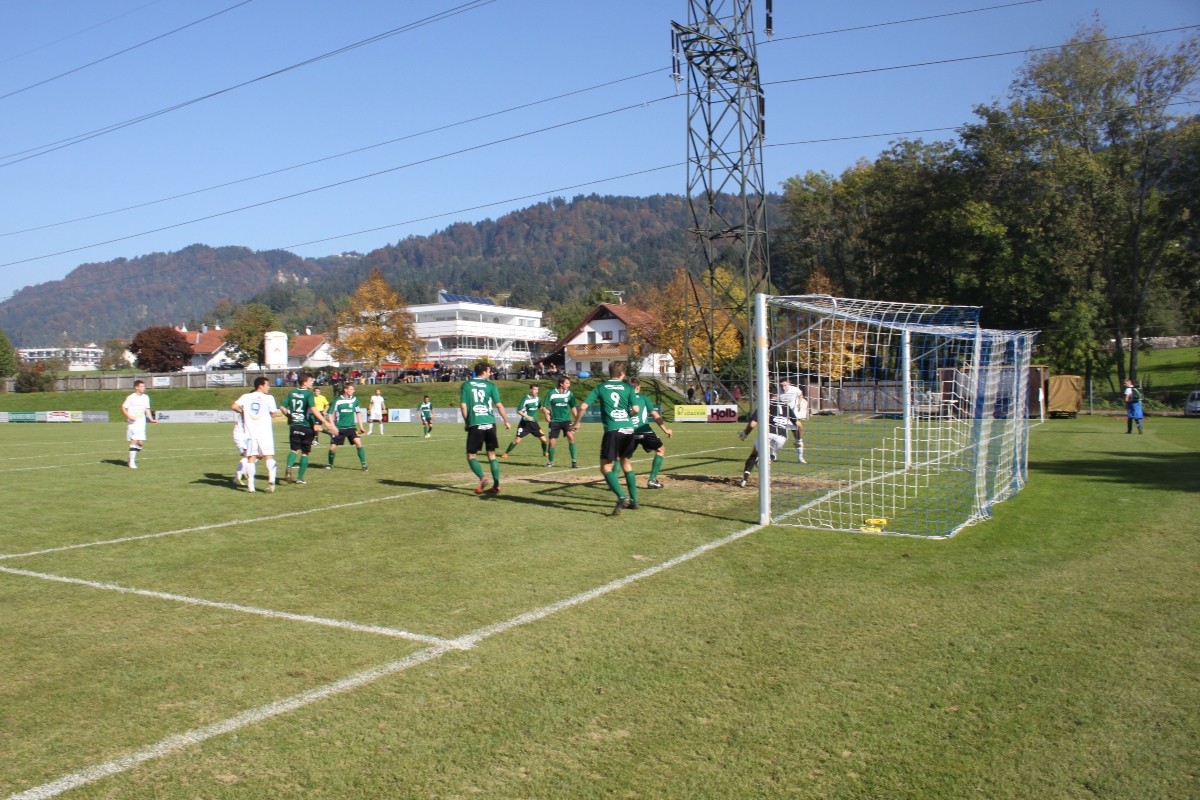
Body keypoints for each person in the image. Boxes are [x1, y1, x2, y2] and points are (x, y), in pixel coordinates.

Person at [574, 362, 641, 515]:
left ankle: (622, 496)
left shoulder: (601, 387)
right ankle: (634, 501)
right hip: (629, 429)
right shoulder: (628, 388)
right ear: (622, 374)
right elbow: (636, 409)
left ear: (610, 373)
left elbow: (583, 407)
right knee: (626, 464)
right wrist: (627, 416)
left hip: (613, 429)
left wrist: (576, 423)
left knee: (605, 467)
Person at [460, 362, 510, 494]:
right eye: (489, 371)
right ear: (483, 372)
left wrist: (467, 422)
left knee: (471, 455)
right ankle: (496, 485)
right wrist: (506, 421)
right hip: (490, 423)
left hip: (476, 422)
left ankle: (482, 478)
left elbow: (463, 406)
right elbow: (499, 405)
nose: (490, 373)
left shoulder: (466, 385)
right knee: (492, 454)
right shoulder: (491, 386)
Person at [737, 388, 799, 488]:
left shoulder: (765, 405)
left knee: (754, 455)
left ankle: (744, 480)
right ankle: (768, 465)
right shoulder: (786, 406)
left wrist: (745, 434)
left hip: (768, 434)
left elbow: (752, 424)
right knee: (769, 457)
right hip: (782, 437)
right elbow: (798, 425)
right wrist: (798, 440)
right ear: (778, 395)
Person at [231, 377, 283, 492]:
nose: (268, 387)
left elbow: (234, 406)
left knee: (251, 458)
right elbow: (274, 414)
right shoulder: (269, 398)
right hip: (265, 432)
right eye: (267, 385)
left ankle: (251, 486)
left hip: (251, 433)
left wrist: (243, 412)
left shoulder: (246, 396)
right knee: (268, 456)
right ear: (260, 386)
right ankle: (272, 480)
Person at [283, 373, 335, 485]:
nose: (312, 382)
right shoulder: (309, 394)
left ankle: (289, 466)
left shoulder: (292, 393)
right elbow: (314, 409)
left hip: (294, 425)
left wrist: (289, 416)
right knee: (305, 453)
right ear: (304, 382)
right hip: (306, 426)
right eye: (310, 380)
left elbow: (282, 407)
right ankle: (300, 478)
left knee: (294, 450)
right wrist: (326, 421)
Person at [629, 377, 673, 489]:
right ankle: (652, 480)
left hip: (628, 432)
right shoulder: (644, 398)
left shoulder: (624, 398)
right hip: (644, 431)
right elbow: (654, 414)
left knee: (623, 457)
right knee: (660, 450)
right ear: (638, 387)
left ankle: (613, 482)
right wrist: (665, 429)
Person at [325, 383, 368, 471]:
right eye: (351, 389)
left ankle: (364, 465)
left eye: (353, 389)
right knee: (332, 449)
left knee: (358, 443)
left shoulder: (355, 400)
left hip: (351, 427)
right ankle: (330, 465)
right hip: (339, 428)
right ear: (345, 390)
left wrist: (361, 427)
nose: (353, 391)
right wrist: (333, 426)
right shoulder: (337, 400)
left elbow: (358, 413)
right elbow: (330, 414)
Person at [502, 384, 549, 461]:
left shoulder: (538, 399)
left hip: (534, 424)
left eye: (537, 389)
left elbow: (540, 407)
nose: (536, 391)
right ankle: (506, 453)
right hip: (525, 424)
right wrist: (527, 417)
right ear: (530, 390)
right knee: (517, 440)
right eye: (535, 389)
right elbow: (519, 410)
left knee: (544, 440)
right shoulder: (525, 399)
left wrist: (547, 411)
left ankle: (545, 452)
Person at [542, 377, 579, 467]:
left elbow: (573, 408)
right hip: (554, 421)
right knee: (552, 441)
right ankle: (551, 462)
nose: (569, 385)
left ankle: (574, 461)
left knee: (571, 437)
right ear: (561, 384)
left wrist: (577, 421)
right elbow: (544, 406)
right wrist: (546, 414)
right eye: (567, 383)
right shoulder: (551, 393)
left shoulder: (570, 394)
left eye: (569, 383)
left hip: (566, 420)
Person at [121, 379, 157, 469]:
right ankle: (132, 462)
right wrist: (129, 416)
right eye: (142, 386)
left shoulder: (146, 397)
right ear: (136, 387)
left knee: (140, 443)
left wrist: (151, 419)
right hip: (133, 423)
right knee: (134, 440)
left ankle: (131, 458)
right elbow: (123, 407)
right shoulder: (131, 397)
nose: (144, 388)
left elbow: (147, 409)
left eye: (144, 386)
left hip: (142, 423)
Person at [777, 378, 808, 463]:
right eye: (781, 385)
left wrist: (798, 403)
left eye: (785, 385)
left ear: (789, 384)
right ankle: (772, 455)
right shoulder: (777, 391)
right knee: (778, 438)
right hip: (781, 416)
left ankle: (800, 457)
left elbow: (801, 394)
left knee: (799, 431)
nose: (783, 387)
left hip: (792, 415)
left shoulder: (794, 390)